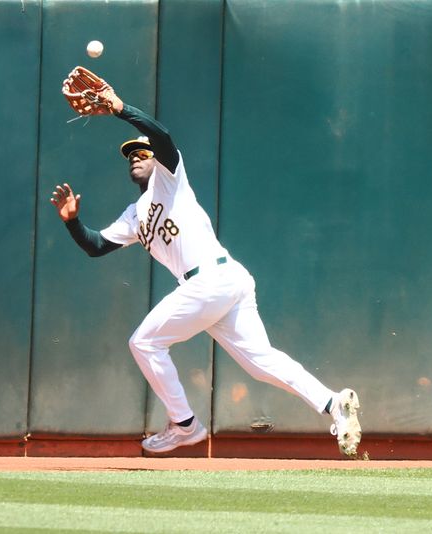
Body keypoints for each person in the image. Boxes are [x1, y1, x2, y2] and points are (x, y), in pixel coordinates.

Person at [50, 87, 361, 456]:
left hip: (212, 280)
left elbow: (163, 139)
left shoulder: (171, 180)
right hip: (222, 285)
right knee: (261, 363)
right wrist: (72, 222)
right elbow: (97, 246)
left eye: (141, 152)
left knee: (144, 342)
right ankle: (332, 403)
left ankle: (184, 424)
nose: (134, 157)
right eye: (130, 154)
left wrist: (121, 108)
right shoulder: (134, 215)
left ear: (156, 160)